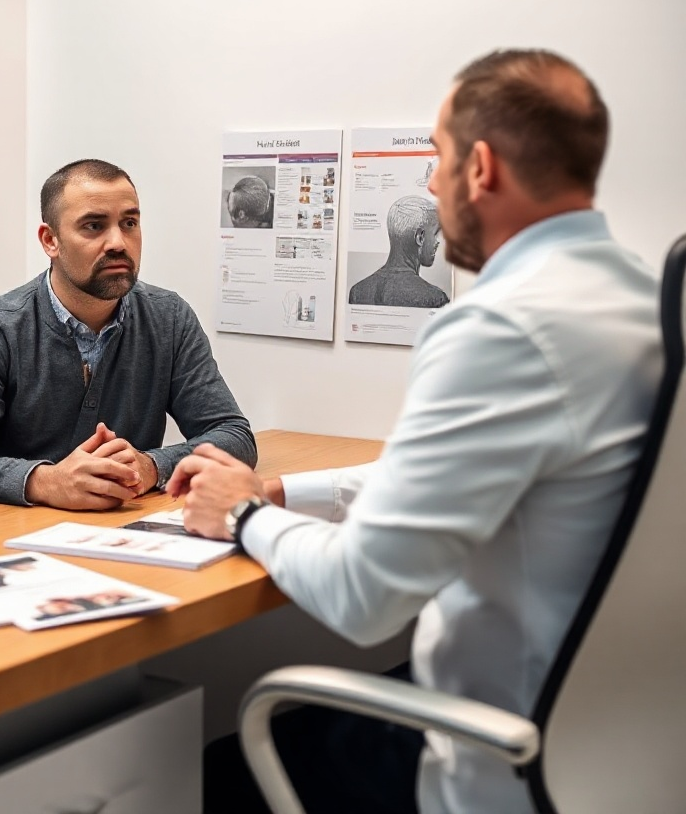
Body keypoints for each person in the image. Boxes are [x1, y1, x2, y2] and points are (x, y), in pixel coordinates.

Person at [169, 49, 662, 814]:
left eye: (436, 157)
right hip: (626, 744)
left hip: (504, 758)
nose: (429, 184)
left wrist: (242, 516)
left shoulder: (500, 327)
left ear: (482, 168)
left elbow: (363, 597)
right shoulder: (641, 303)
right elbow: (455, 475)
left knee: (209, 773)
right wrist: (285, 491)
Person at [0, 158, 256, 510]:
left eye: (130, 223)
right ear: (51, 240)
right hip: (12, 535)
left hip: (124, 531)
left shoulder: (168, 318)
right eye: (94, 226)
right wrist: (46, 481)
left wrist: (153, 466)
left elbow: (233, 436)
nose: (118, 242)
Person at [348, 195, 450, 308]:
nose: (438, 242)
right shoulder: (435, 299)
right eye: (436, 233)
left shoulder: (357, 292)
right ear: (420, 238)